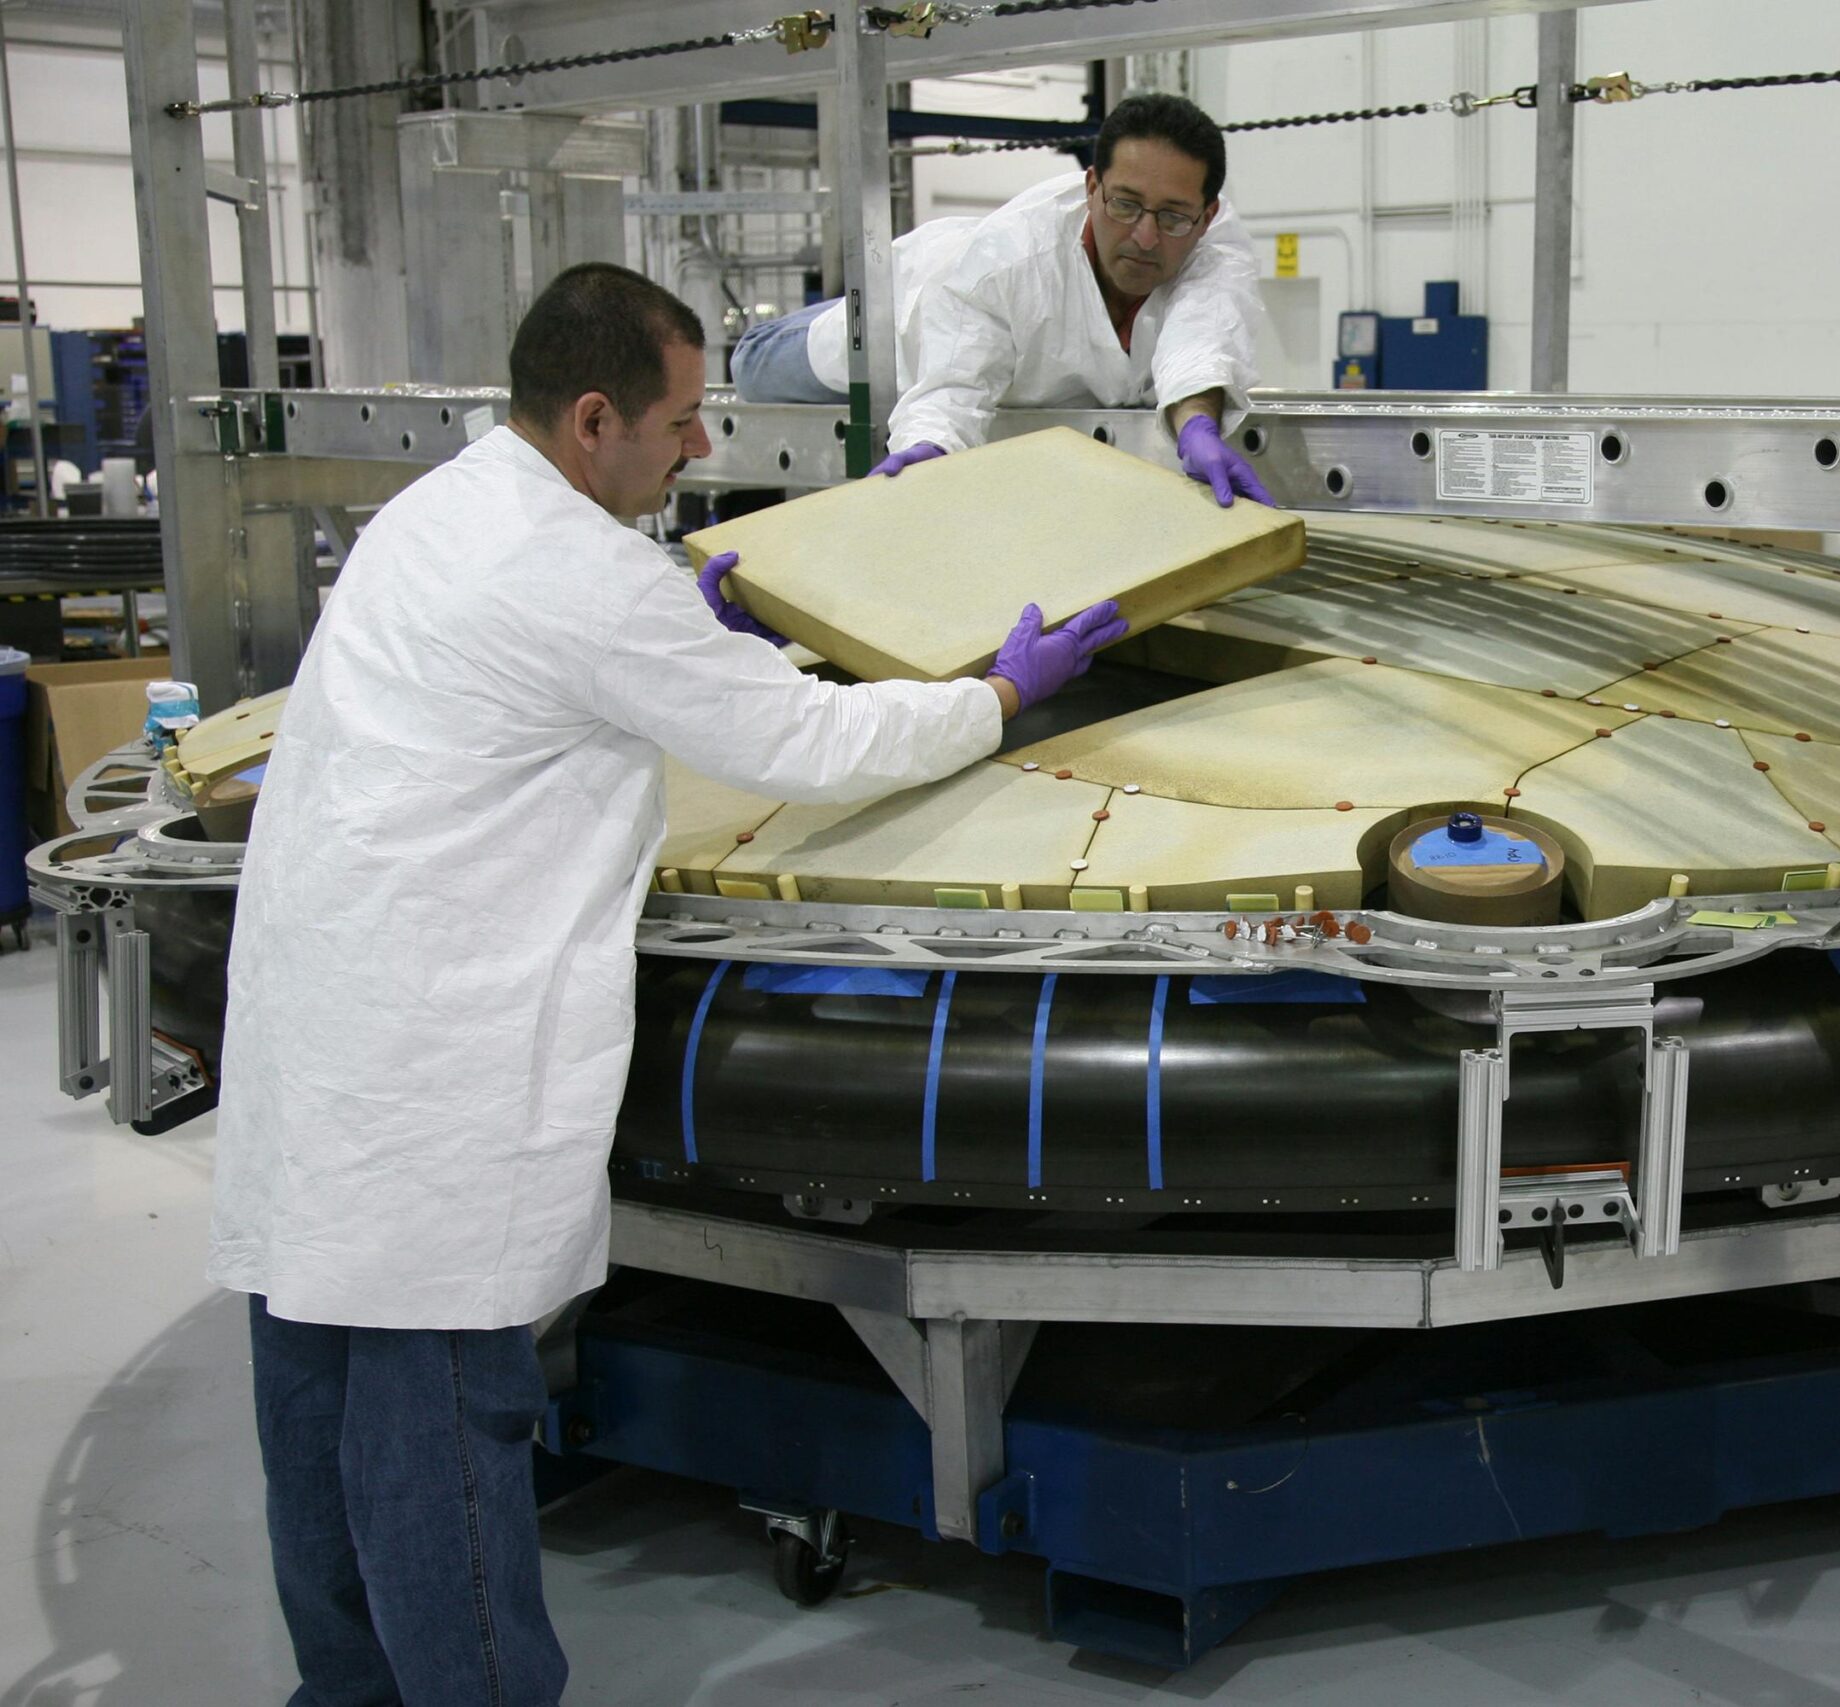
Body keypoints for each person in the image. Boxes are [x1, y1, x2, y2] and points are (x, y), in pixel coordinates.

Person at [208, 261, 1123, 1705]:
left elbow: (559, 671)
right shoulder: (586, 579)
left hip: (318, 1028)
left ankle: (346, 1693)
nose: (701, 445)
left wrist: (686, 645)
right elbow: (811, 748)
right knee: (439, 1422)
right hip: (431, 1073)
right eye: (683, 418)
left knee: (315, 1402)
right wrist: (1002, 692)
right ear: (593, 418)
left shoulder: (440, 510)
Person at [731, 92, 1271, 506]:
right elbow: (954, 384)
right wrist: (929, 448)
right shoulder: (1009, 260)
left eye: (1172, 217)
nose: (1146, 237)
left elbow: (1204, 332)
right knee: (751, 366)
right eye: (1125, 205)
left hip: (993, 327)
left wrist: (1197, 425)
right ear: (1091, 188)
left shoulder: (1214, 245)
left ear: (1206, 216)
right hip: (906, 317)